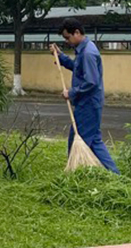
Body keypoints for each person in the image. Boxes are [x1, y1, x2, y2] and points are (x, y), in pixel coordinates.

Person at [49, 18, 119, 173]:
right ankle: (114, 174)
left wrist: (71, 92)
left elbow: (91, 82)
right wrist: (61, 57)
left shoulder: (87, 53)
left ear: (77, 33)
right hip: (88, 103)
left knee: (79, 140)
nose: (67, 41)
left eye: (68, 37)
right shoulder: (84, 49)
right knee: (93, 141)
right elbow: (77, 68)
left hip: (88, 103)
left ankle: (75, 172)